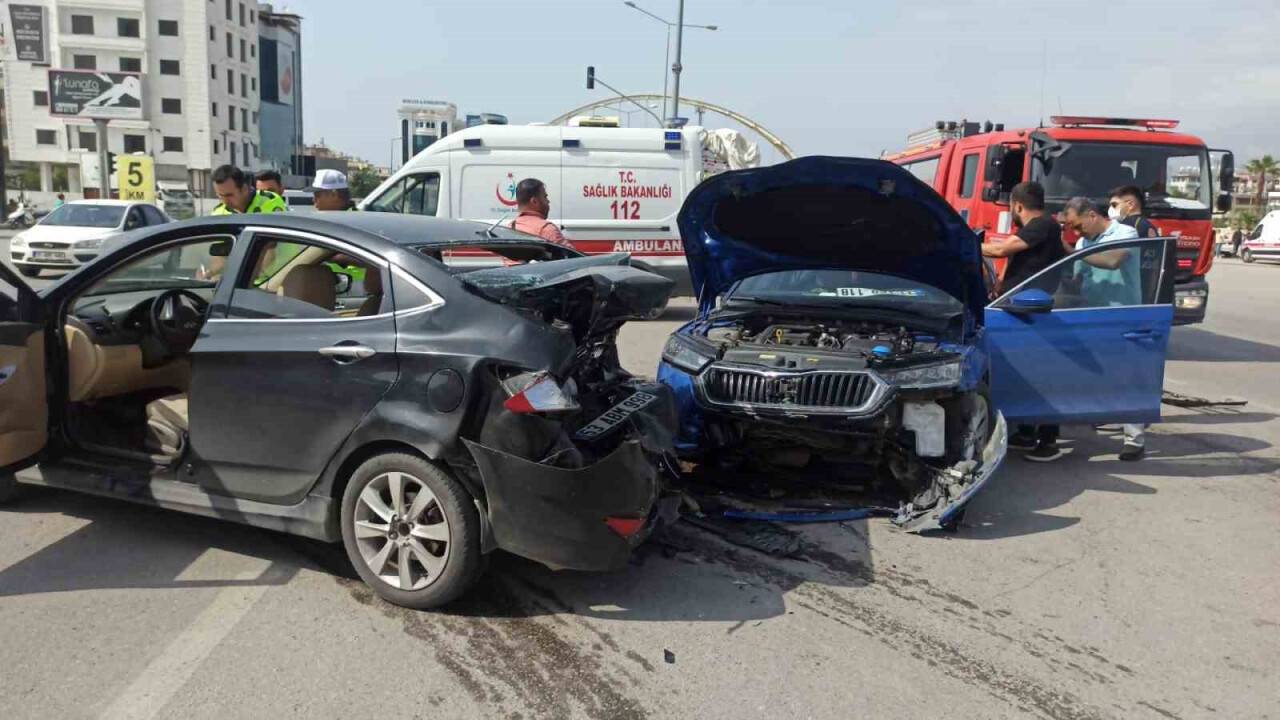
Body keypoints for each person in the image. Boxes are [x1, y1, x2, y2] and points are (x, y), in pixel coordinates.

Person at [982, 182, 1067, 461]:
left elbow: (1001, 251)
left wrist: (967, 243)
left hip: (1034, 311)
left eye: (1012, 208)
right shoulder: (1041, 228)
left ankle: (1048, 439)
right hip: (1020, 308)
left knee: (1040, 374)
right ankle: (1028, 432)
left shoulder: (1042, 226)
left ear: (1017, 205)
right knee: (1026, 373)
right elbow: (1025, 263)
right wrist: (1003, 284)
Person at [1062, 196, 1147, 462]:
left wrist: (1075, 253)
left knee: (1128, 378)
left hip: (1124, 316)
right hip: (1092, 316)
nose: (1076, 232)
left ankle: (1134, 439)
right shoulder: (1082, 242)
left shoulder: (1125, 232)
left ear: (1091, 215)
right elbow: (1078, 279)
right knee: (1093, 374)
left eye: (1078, 225)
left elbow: (1113, 261)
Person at [510, 178, 571, 247]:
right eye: (545, 197)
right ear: (534, 201)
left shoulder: (510, 228)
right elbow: (573, 256)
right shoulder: (546, 230)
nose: (548, 201)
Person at [211, 164, 287, 215]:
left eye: (229, 195)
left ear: (244, 189)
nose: (225, 201)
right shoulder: (218, 214)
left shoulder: (270, 201)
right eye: (220, 196)